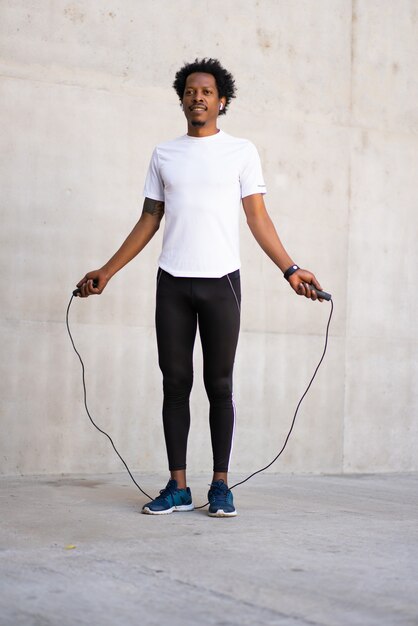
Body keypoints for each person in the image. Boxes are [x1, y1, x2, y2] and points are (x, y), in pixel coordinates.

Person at [75, 58, 323, 518]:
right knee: (174, 384)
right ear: (182, 99)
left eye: (207, 91)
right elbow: (150, 218)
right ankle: (177, 485)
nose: (198, 97)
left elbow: (257, 217)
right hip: (173, 282)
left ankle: (221, 485)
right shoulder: (164, 154)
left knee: (220, 385)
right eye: (191, 91)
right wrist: (107, 271)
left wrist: (291, 269)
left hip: (222, 282)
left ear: (221, 101)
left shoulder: (242, 152)